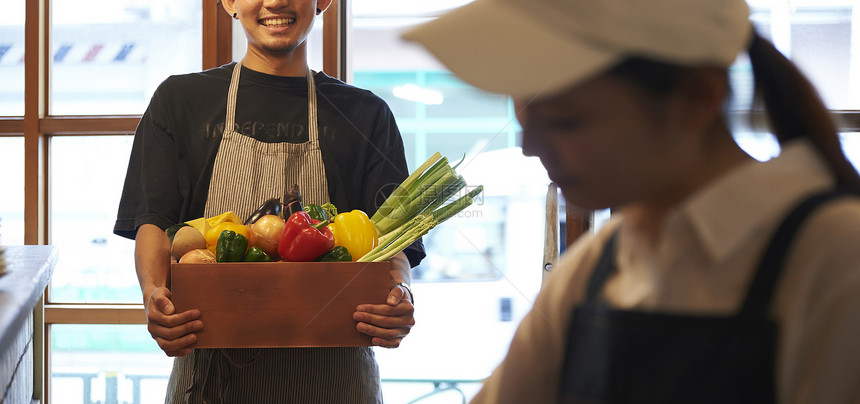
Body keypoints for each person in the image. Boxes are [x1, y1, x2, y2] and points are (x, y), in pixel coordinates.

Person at [404, 0, 860, 403]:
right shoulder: (599, 264)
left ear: (698, 97)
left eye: (566, 122)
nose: (530, 148)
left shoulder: (835, 256)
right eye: (524, 120)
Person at [114, 0, 423, 402]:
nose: (275, 2)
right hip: (211, 381)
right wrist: (154, 294)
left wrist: (401, 296)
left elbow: (391, 239)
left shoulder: (365, 114)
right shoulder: (180, 102)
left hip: (336, 382)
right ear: (229, 2)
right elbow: (153, 222)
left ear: (323, 1)